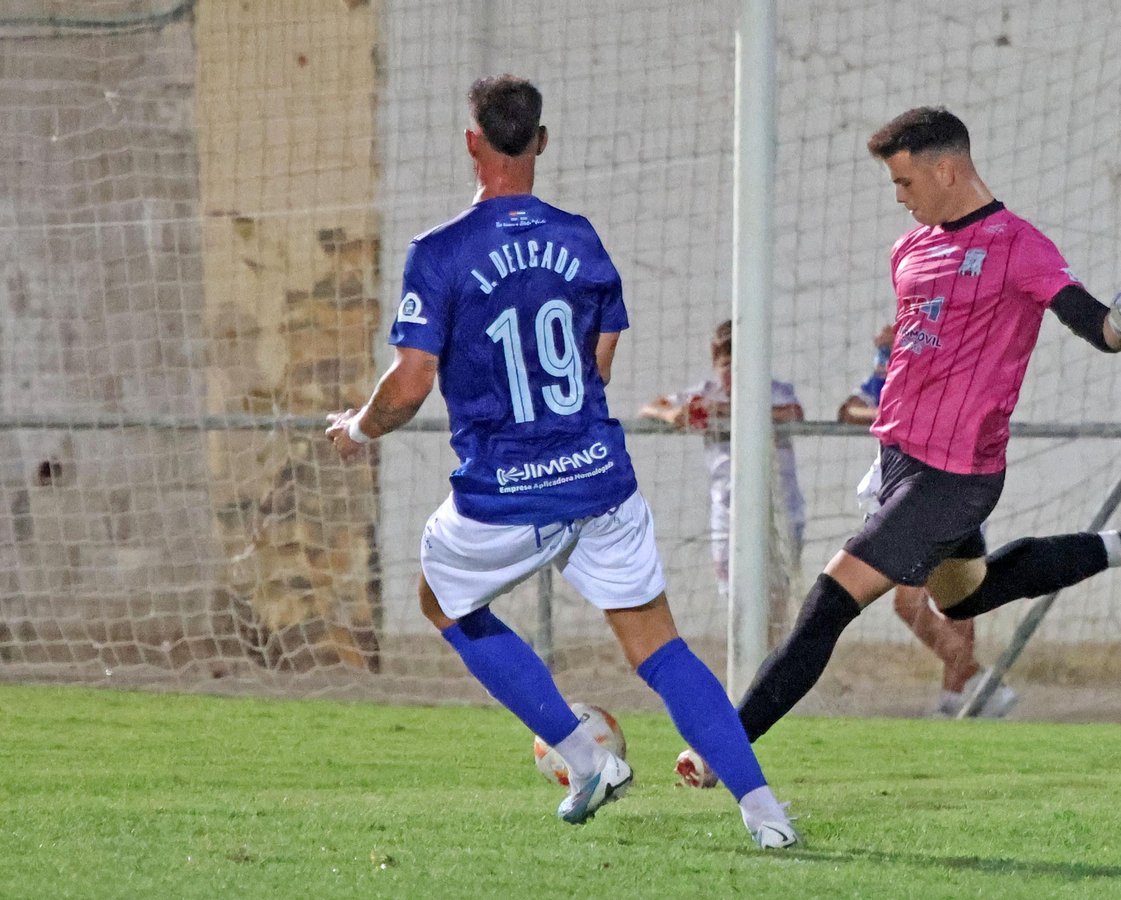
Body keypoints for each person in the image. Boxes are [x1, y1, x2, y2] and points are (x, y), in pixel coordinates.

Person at [325, 76, 797, 849]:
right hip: (598, 478)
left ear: (472, 141)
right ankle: (766, 813)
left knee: (441, 601)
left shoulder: (438, 253)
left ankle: (586, 759)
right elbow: (597, 367)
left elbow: (409, 386)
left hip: (506, 490)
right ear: (541, 141)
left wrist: (358, 429)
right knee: (659, 646)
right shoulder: (581, 240)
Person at [678, 107, 1121, 782]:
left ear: (947, 170)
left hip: (955, 477)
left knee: (830, 601)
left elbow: (1092, 323)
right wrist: (886, 451)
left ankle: (724, 749)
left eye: (905, 182)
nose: (899, 197)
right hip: (904, 465)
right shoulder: (909, 250)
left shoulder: (1018, 245)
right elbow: (915, 358)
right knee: (963, 598)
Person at [840, 324, 1017, 719]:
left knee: (946, 601)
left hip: (957, 491)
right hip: (918, 497)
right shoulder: (899, 362)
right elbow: (848, 409)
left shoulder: (952, 363)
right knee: (919, 601)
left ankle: (961, 693)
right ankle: (973, 687)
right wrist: (884, 408)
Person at [638, 319, 806, 604]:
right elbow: (648, 407)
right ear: (715, 365)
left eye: (741, 363)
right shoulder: (705, 393)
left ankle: (776, 635)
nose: (733, 372)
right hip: (728, 512)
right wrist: (671, 414)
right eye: (727, 365)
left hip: (779, 511)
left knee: (777, 598)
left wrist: (725, 410)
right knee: (735, 597)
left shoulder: (775, 391)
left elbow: (793, 413)